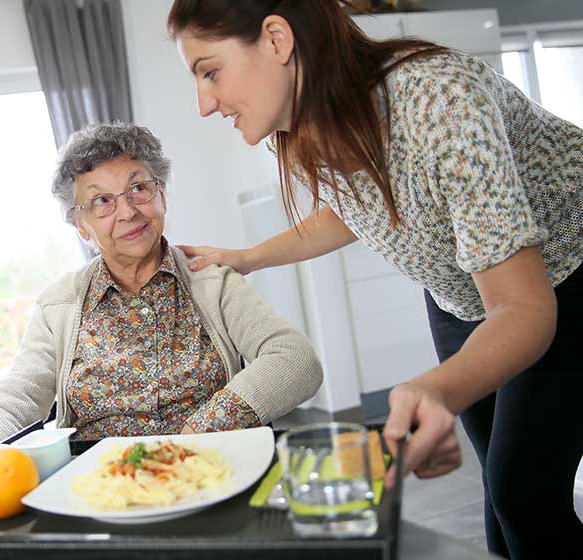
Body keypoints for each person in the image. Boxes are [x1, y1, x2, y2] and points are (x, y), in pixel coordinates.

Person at [167, 1, 582, 558]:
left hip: (565, 278)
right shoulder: (295, 126)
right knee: (502, 496)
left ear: (276, 40)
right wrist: (247, 257)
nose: (204, 104)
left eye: (209, 71)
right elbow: (352, 208)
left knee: (524, 495)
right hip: (462, 299)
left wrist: (435, 387)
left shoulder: (439, 99)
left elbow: (525, 307)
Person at [0, 122, 323, 471]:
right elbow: (20, 393)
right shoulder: (59, 304)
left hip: (210, 470)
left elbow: (295, 360)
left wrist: (196, 434)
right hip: (99, 488)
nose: (127, 211)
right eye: (101, 200)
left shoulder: (212, 281)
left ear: (162, 197)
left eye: (138, 188)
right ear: (81, 224)